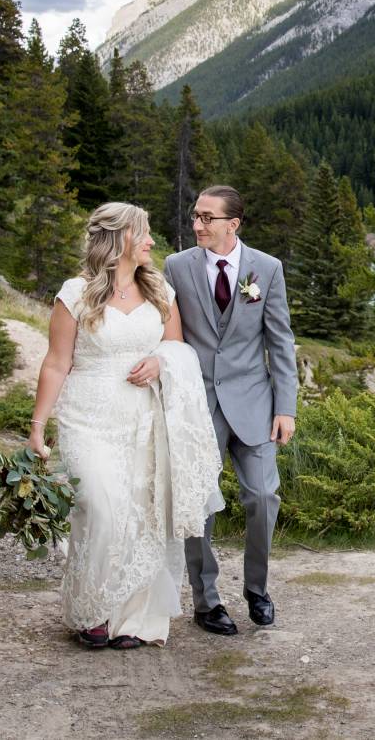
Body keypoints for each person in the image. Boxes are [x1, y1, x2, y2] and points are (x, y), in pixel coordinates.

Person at [28, 202, 223, 649]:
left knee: (141, 514)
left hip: (144, 418)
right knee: (99, 506)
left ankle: (133, 617)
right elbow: (57, 363)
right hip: (88, 416)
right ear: (119, 240)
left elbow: (179, 352)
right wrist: (38, 426)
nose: (152, 241)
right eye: (145, 233)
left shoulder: (161, 294)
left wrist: (159, 360)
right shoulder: (74, 294)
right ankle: (91, 609)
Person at [164, 185, 298, 635]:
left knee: (262, 497)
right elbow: (166, 332)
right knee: (198, 503)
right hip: (196, 404)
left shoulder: (268, 269)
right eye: (195, 216)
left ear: (232, 224)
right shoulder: (176, 267)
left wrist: (286, 407)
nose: (196, 225)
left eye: (206, 218)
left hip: (256, 402)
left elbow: (280, 342)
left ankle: (257, 591)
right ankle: (206, 601)